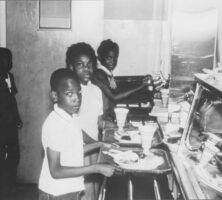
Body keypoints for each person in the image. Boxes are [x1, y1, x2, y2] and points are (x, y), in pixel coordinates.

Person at [38, 68, 117, 200]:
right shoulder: (54, 124)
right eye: (69, 94)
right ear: (55, 96)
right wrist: (96, 168)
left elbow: (74, 151)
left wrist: (101, 144)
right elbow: (56, 171)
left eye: (78, 93)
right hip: (56, 193)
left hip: (70, 189)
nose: (76, 99)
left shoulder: (71, 117)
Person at [94, 39, 150, 121]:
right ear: (100, 57)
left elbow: (116, 91)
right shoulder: (99, 74)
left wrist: (140, 83)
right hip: (101, 118)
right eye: (108, 58)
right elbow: (114, 97)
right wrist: (140, 86)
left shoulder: (107, 73)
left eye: (115, 58)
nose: (112, 61)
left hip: (108, 114)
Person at [66, 42, 103, 142]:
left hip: (94, 147)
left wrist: (120, 126)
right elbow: (73, 127)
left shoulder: (96, 90)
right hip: (77, 148)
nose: (86, 69)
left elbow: (99, 122)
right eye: (80, 65)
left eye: (89, 64)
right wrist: (97, 144)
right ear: (71, 67)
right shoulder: (69, 93)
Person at [0, 47, 22, 196]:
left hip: (10, 124)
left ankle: (10, 184)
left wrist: (17, 118)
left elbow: (12, 99)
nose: (9, 62)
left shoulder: (10, 76)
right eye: (5, 59)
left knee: (14, 154)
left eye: (10, 59)